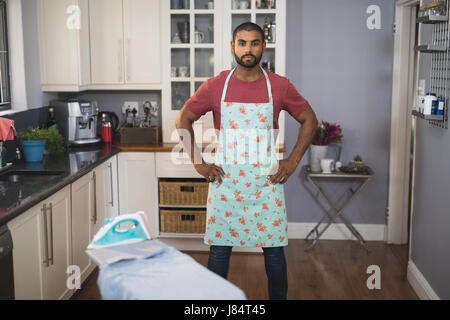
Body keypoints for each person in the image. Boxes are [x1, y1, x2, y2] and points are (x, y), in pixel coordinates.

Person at [175, 22, 317, 300]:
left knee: (274, 249)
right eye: (242, 43)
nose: (248, 49)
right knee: (219, 248)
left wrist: (292, 161)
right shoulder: (216, 86)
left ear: (263, 46)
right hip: (227, 183)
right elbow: (183, 119)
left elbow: (310, 120)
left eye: (254, 43)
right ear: (233, 47)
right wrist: (198, 162)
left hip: (266, 183)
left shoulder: (279, 86)